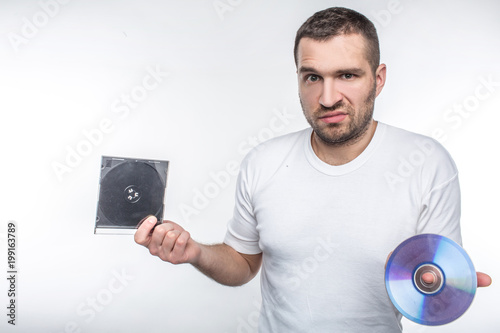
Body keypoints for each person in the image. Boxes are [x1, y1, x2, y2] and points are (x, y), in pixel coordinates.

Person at [135, 7, 491, 332]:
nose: (327, 97)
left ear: (378, 79)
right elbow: (242, 263)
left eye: (347, 75)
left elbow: (438, 278)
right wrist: (195, 252)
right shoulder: (264, 162)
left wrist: (438, 284)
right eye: (312, 77)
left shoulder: (426, 162)